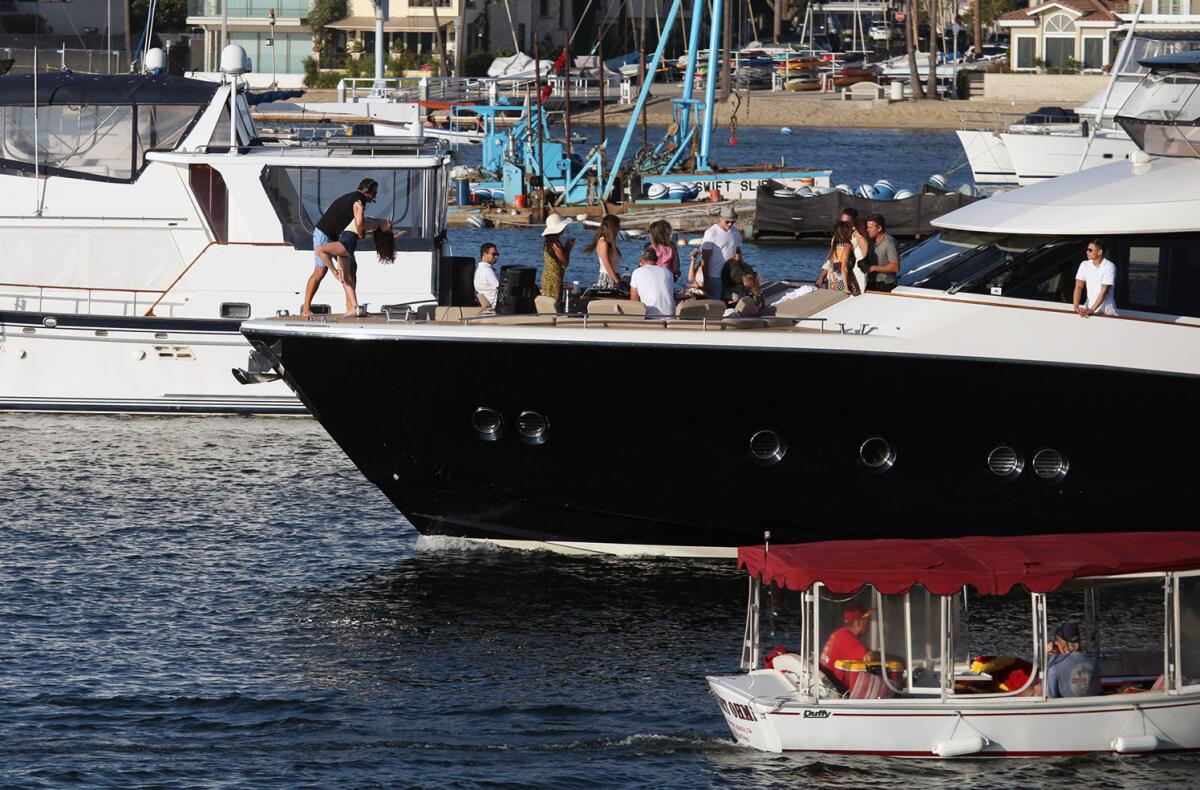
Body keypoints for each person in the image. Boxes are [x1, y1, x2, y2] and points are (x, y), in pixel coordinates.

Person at [303, 178, 385, 316]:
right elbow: (359, 223)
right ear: (366, 191)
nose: (375, 196)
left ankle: (350, 307)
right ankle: (306, 309)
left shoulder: (355, 197)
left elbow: (358, 220)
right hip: (324, 233)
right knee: (320, 272)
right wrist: (362, 233)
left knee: (352, 268)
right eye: (374, 193)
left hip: (336, 236)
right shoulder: (359, 199)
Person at [691, 205, 743, 301]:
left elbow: (738, 251)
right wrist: (706, 282)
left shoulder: (735, 232)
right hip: (714, 277)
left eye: (733, 222)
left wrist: (738, 256)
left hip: (731, 276)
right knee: (715, 304)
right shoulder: (711, 233)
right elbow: (704, 260)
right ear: (720, 218)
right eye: (727, 222)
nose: (730, 224)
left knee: (734, 301)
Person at [820, 607, 878, 689]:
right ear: (858, 623)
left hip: (828, 684)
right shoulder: (849, 640)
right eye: (867, 619)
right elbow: (869, 658)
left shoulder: (840, 633)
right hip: (836, 691)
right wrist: (880, 654)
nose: (869, 622)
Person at [1044, 622, 1101, 698]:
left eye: (1056, 642)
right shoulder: (1093, 659)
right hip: (1093, 706)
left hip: (1067, 708)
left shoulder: (1055, 665)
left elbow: (1051, 696)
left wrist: (1054, 656)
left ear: (1062, 644)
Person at [1073, 239, 1118, 318]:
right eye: (1087, 249)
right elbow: (1078, 287)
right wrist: (1076, 306)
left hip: (1106, 312)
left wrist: (1092, 310)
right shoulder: (1084, 264)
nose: (1087, 252)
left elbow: (1104, 291)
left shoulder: (1109, 266)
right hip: (1089, 308)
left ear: (1099, 252)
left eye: (1090, 250)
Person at [629, 247, 676, 317]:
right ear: (656, 259)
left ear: (642, 260)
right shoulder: (668, 272)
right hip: (670, 315)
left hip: (650, 317)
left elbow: (634, 299)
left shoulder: (637, 272)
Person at [815, 221, 856, 294]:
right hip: (841, 279)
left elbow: (829, 264)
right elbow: (843, 268)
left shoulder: (835, 246)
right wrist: (846, 288)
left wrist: (821, 278)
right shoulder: (847, 246)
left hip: (832, 279)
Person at [541, 213, 574, 302]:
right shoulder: (556, 245)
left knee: (548, 303)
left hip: (547, 277)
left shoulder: (548, 243)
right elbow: (565, 264)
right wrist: (568, 248)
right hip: (554, 279)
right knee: (554, 303)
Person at [584, 214, 623, 288]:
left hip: (615, 276)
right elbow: (607, 264)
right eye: (618, 226)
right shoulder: (603, 243)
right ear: (613, 227)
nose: (619, 228)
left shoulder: (610, 242)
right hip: (608, 277)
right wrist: (617, 282)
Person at [865, 214, 901, 292]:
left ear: (879, 228)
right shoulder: (871, 240)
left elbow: (895, 267)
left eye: (870, 227)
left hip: (885, 285)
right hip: (871, 282)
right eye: (867, 227)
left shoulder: (889, 243)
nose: (867, 230)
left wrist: (874, 268)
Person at [842, 208, 869, 293]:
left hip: (860, 271)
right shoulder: (855, 238)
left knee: (860, 292)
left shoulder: (861, 240)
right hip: (855, 270)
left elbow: (866, 259)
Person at [474, 242, 500, 308]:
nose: (496, 257)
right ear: (484, 254)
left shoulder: (477, 268)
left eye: (497, 254)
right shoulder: (487, 270)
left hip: (487, 300)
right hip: (497, 304)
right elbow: (500, 288)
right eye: (494, 254)